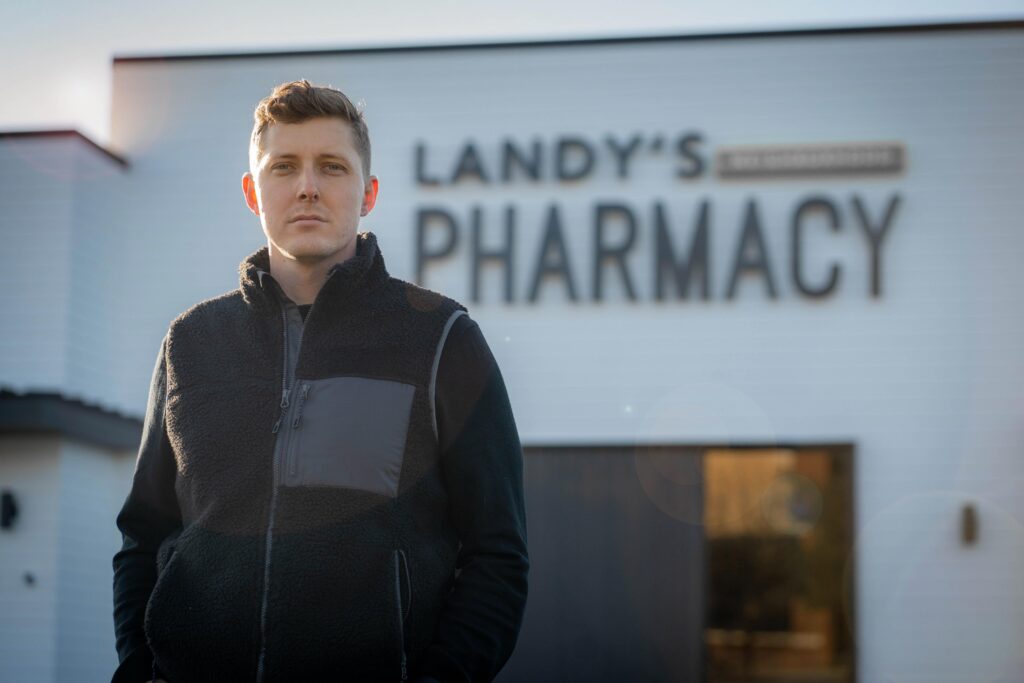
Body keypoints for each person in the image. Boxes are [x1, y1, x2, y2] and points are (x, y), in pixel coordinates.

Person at [111, 79, 529, 683]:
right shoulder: (191, 343)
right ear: (254, 192)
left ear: (369, 193)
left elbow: (498, 554)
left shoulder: (440, 339)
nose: (307, 185)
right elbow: (143, 537)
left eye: (332, 166)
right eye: (284, 167)